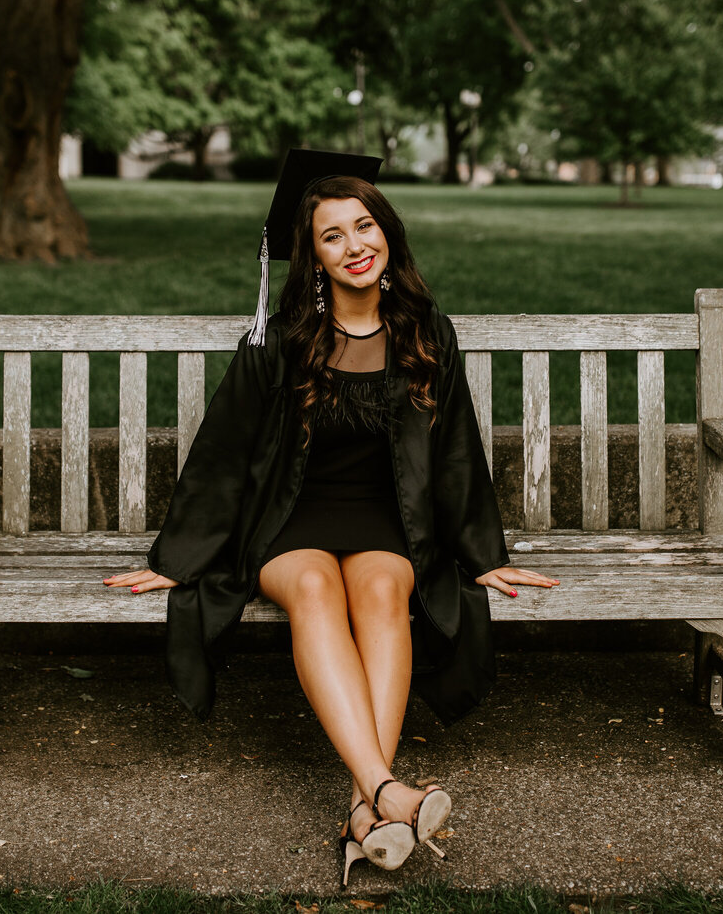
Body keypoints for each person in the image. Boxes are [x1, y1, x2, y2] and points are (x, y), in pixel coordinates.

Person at [103, 149, 558, 885]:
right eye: (333, 235)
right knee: (316, 591)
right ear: (311, 255)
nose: (355, 246)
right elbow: (222, 454)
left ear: (389, 235)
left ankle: (365, 810)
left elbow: (455, 453)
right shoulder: (280, 342)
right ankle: (388, 788)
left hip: (389, 522)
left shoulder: (425, 333)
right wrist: (174, 561)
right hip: (291, 523)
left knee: (384, 594)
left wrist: (482, 551)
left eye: (365, 225)